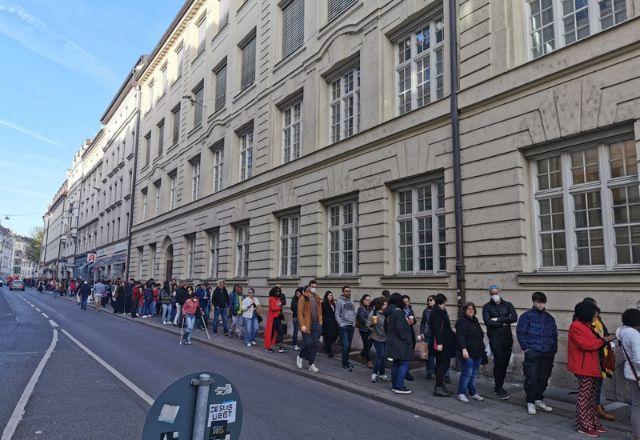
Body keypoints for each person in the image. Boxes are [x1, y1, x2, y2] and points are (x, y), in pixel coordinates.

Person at [568, 301, 610, 437]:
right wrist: (603, 341)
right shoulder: (576, 326)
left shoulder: (586, 325)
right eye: (595, 315)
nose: (596, 317)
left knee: (592, 397)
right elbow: (586, 344)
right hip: (583, 367)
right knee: (584, 397)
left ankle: (593, 422)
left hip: (592, 366)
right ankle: (582, 425)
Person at [516, 291, 558, 415]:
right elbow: (521, 333)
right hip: (533, 351)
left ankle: (539, 399)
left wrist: (553, 349)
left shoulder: (549, 318)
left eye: (543, 302)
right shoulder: (526, 316)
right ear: (534, 302)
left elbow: (554, 334)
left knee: (544, 377)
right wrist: (527, 349)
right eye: (538, 302)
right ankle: (530, 401)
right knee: (531, 377)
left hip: (547, 352)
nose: (541, 305)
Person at [581, 298, 616, 421]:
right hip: (592, 358)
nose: (597, 312)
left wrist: (607, 341)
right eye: (594, 309)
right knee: (589, 390)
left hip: (601, 355)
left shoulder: (598, 319)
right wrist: (602, 341)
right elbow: (588, 343)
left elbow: (603, 333)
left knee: (599, 383)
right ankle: (594, 410)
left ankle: (597, 408)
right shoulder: (581, 323)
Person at [482, 284, 518, 400]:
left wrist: (498, 319)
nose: (494, 295)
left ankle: (500, 386)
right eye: (492, 293)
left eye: (495, 293)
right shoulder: (487, 307)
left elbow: (514, 318)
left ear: (500, 292)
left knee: (505, 363)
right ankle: (498, 388)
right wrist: (503, 323)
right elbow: (487, 321)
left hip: (507, 338)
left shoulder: (508, 305)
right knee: (499, 363)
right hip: (495, 339)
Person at [616, 308, 640, 440]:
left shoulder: (622, 332)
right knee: (637, 406)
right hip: (638, 374)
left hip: (631, 373)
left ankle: (637, 435)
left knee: (636, 405)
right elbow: (638, 360)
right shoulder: (634, 335)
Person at [455, 303, 486, 403]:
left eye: (472, 309)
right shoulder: (461, 321)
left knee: (474, 373)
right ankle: (461, 393)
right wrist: (463, 349)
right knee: (467, 373)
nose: (471, 310)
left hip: (478, 352)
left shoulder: (475, 321)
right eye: (468, 309)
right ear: (464, 310)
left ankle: (472, 393)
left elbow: (480, 335)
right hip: (467, 352)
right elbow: (460, 336)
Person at [384, 293, 413, 394]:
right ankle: (399, 386)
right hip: (400, 343)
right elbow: (401, 329)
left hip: (392, 341)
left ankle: (395, 385)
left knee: (396, 363)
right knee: (404, 363)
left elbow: (386, 328)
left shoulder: (389, 312)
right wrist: (408, 339)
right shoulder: (398, 312)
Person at [430, 293, 455, 397]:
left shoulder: (438, 311)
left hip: (443, 342)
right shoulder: (437, 312)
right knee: (443, 365)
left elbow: (443, 326)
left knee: (440, 364)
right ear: (443, 302)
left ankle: (440, 386)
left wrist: (451, 330)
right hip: (442, 343)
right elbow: (437, 329)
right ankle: (438, 387)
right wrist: (440, 343)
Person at [296, 280, 323, 373]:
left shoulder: (317, 297)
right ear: (309, 287)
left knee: (315, 344)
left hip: (316, 324)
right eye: (312, 286)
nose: (314, 288)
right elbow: (299, 312)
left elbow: (320, 311)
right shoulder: (303, 297)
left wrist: (320, 322)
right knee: (308, 343)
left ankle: (311, 364)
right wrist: (302, 324)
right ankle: (300, 357)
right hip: (307, 324)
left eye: (315, 287)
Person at [368, 297, 389, 383]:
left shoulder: (387, 313)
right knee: (381, 354)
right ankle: (374, 374)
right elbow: (367, 324)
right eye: (384, 304)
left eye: (386, 304)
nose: (386, 305)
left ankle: (382, 373)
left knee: (384, 356)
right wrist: (372, 323)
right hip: (376, 337)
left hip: (386, 338)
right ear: (380, 305)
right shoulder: (374, 313)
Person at [336, 286, 356, 372]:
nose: (348, 292)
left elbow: (353, 312)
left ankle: (347, 362)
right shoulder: (339, 301)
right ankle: (344, 364)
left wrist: (354, 322)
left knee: (348, 347)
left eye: (349, 291)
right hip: (344, 326)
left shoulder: (351, 300)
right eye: (346, 291)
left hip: (351, 326)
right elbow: (337, 314)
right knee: (345, 346)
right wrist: (340, 324)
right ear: (343, 292)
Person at [420, 295, 437, 380]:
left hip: (437, 336)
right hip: (428, 335)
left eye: (431, 300)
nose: (429, 301)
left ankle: (443, 374)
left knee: (439, 355)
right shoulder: (426, 311)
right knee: (429, 355)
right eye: (428, 300)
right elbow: (422, 322)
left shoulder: (440, 310)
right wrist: (422, 332)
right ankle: (429, 372)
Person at [265, 287, 286, 353]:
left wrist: (279, 306)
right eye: (277, 291)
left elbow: (280, 305)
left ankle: (281, 347)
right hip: (273, 318)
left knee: (281, 332)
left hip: (278, 318)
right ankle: (268, 347)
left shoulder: (278, 298)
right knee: (271, 333)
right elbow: (273, 308)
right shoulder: (271, 298)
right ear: (274, 292)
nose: (278, 292)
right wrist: (279, 307)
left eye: (279, 291)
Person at [401, 294, 416, 381]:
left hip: (410, 333)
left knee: (409, 353)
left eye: (407, 301)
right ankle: (405, 372)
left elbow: (415, 320)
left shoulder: (410, 310)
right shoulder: (400, 311)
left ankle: (406, 370)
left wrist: (412, 321)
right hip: (404, 334)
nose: (406, 303)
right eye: (404, 301)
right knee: (405, 354)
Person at [357, 294, 373, 368]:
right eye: (367, 300)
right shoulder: (361, 308)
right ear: (363, 300)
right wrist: (370, 323)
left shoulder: (370, 308)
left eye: (369, 300)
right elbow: (361, 318)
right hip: (363, 330)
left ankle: (361, 355)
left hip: (370, 330)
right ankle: (369, 361)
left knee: (369, 344)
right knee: (367, 345)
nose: (368, 301)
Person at [321, 290, 339, 358]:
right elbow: (322, 314)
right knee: (328, 337)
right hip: (327, 323)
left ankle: (326, 346)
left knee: (334, 336)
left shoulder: (333, 304)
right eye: (329, 295)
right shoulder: (323, 303)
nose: (330, 296)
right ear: (326, 296)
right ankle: (329, 352)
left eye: (331, 295)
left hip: (333, 322)